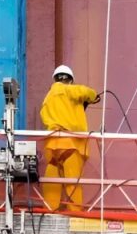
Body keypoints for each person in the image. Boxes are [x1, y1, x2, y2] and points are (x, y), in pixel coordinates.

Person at [40, 65, 99, 211]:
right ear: (70, 80)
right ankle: (75, 211)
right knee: (73, 180)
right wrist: (93, 97)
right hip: (71, 143)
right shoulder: (68, 90)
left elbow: (44, 117)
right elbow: (86, 92)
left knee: (52, 180)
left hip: (53, 144)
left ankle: (49, 209)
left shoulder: (47, 98)